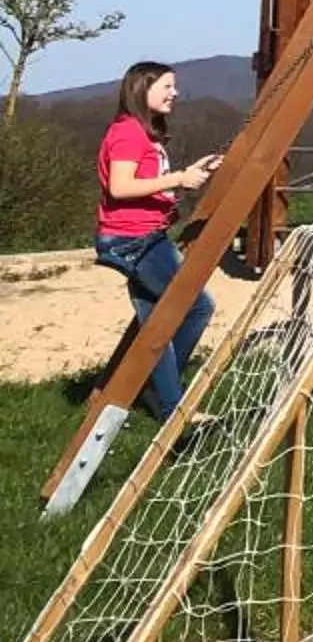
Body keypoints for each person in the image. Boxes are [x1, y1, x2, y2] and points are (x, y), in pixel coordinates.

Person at [95, 62, 226, 422]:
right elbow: (120, 187)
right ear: (143, 89)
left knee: (157, 324)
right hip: (134, 240)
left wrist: (191, 173)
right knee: (196, 307)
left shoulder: (142, 132)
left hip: (142, 235)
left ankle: (166, 402)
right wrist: (178, 179)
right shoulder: (128, 132)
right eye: (167, 86)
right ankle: (161, 393)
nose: (175, 93)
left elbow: (146, 182)